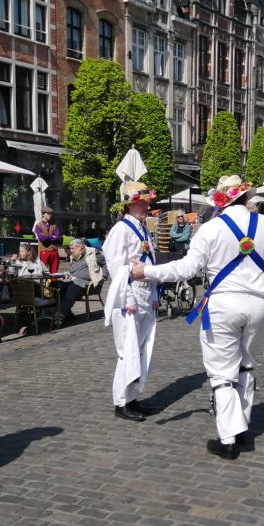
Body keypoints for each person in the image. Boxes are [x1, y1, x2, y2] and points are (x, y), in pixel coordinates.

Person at [132, 175, 264, 458]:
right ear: (246, 197)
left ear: (220, 202)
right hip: (262, 306)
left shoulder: (210, 229)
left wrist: (146, 272)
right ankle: (243, 427)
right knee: (246, 365)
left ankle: (228, 439)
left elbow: (186, 269)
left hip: (224, 306)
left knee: (222, 372)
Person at [103, 180, 160, 421]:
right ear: (131, 205)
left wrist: (155, 292)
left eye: (147, 202)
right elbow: (116, 265)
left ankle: (132, 398)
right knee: (128, 348)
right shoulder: (121, 230)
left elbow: (151, 261)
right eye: (143, 202)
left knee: (141, 347)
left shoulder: (143, 227)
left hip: (146, 291)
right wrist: (126, 297)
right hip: (131, 292)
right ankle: (121, 401)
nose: (147, 206)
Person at [52, 238, 107, 326]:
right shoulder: (74, 257)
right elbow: (73, 272)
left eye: (72, 248)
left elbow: (105, 264)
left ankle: (61, 314)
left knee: (72, 288)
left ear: (80, 247)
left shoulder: (93, 253)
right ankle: (68, 314)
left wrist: (104, 276)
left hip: (86, 284)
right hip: (71, 280)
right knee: (55, 285)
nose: (71, 251)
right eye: (70, 248)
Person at [34, 207, 62, 274]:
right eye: (48, 213)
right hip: (44, 251)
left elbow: (58, 238)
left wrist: (48, 237)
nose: (50, 215)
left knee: (54, 273)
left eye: (51, 214)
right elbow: (42, 239)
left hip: (54, 251)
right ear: (43, 214)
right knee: (44, 272)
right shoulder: (38, 226)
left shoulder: (54, 225)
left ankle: (54, 284)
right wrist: (53, 237)